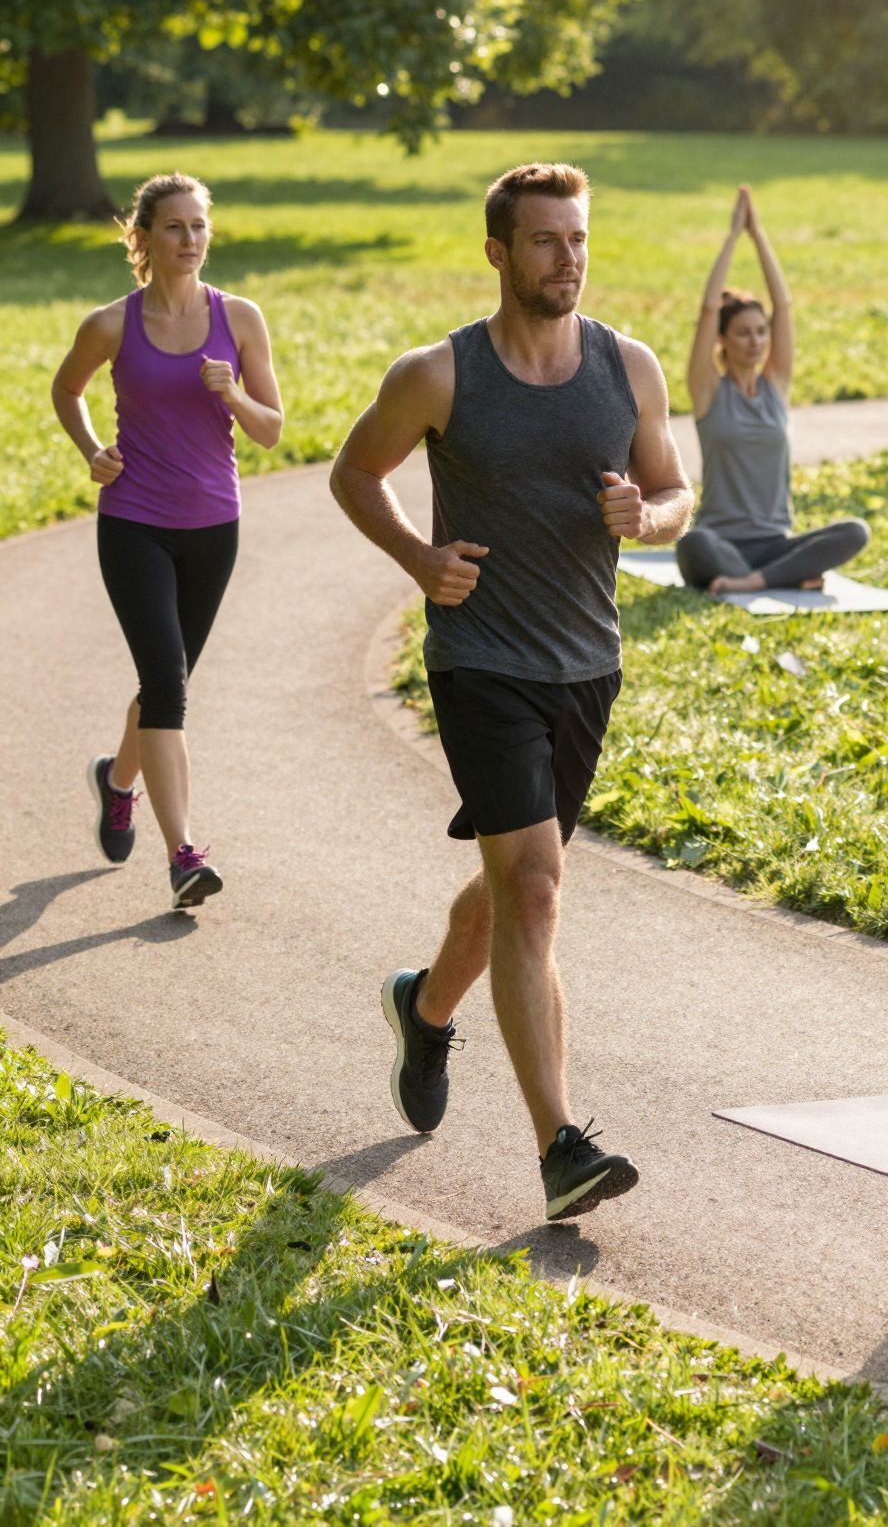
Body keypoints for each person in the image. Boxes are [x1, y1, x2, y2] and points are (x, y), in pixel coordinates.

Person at [330, 162, 692, 1222]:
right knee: (535, 885)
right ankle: (560, 1146)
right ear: (498, 251)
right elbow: (356, 471)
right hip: (480, 658)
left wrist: (650, 516)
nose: (566, 257)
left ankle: (426, 1003)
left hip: (588, 661)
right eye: (544, 240)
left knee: (512, 882)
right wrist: (415, 555)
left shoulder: (626, 366)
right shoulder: (439, 373)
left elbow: (676, 486)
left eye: (577, 238)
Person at [51, 172, 284, 909]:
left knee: (166, 683)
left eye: (199, 227)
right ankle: (183, 854)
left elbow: (272, 429)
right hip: (133, 522)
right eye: (175, 227)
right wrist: (92, 451)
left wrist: (233, 393)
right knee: (168, 686)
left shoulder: (239, 319)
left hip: (214, 526)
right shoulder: (110, 324)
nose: (190, 240)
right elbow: (66, 389)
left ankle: (117, 781)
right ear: (144, 237)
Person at [676, 184, 870, 596]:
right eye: (743, 333)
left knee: (855, 531)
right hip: (720, 544)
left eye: (761, 332)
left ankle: (752, 582)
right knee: (693, 543)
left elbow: (783, 305)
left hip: (776, 543)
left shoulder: (776, 385)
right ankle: (787, 578)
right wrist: (732, 236)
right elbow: (708, 308)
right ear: (722, 341)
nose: (756, 341)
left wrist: (759, 235)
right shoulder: (709, 389)